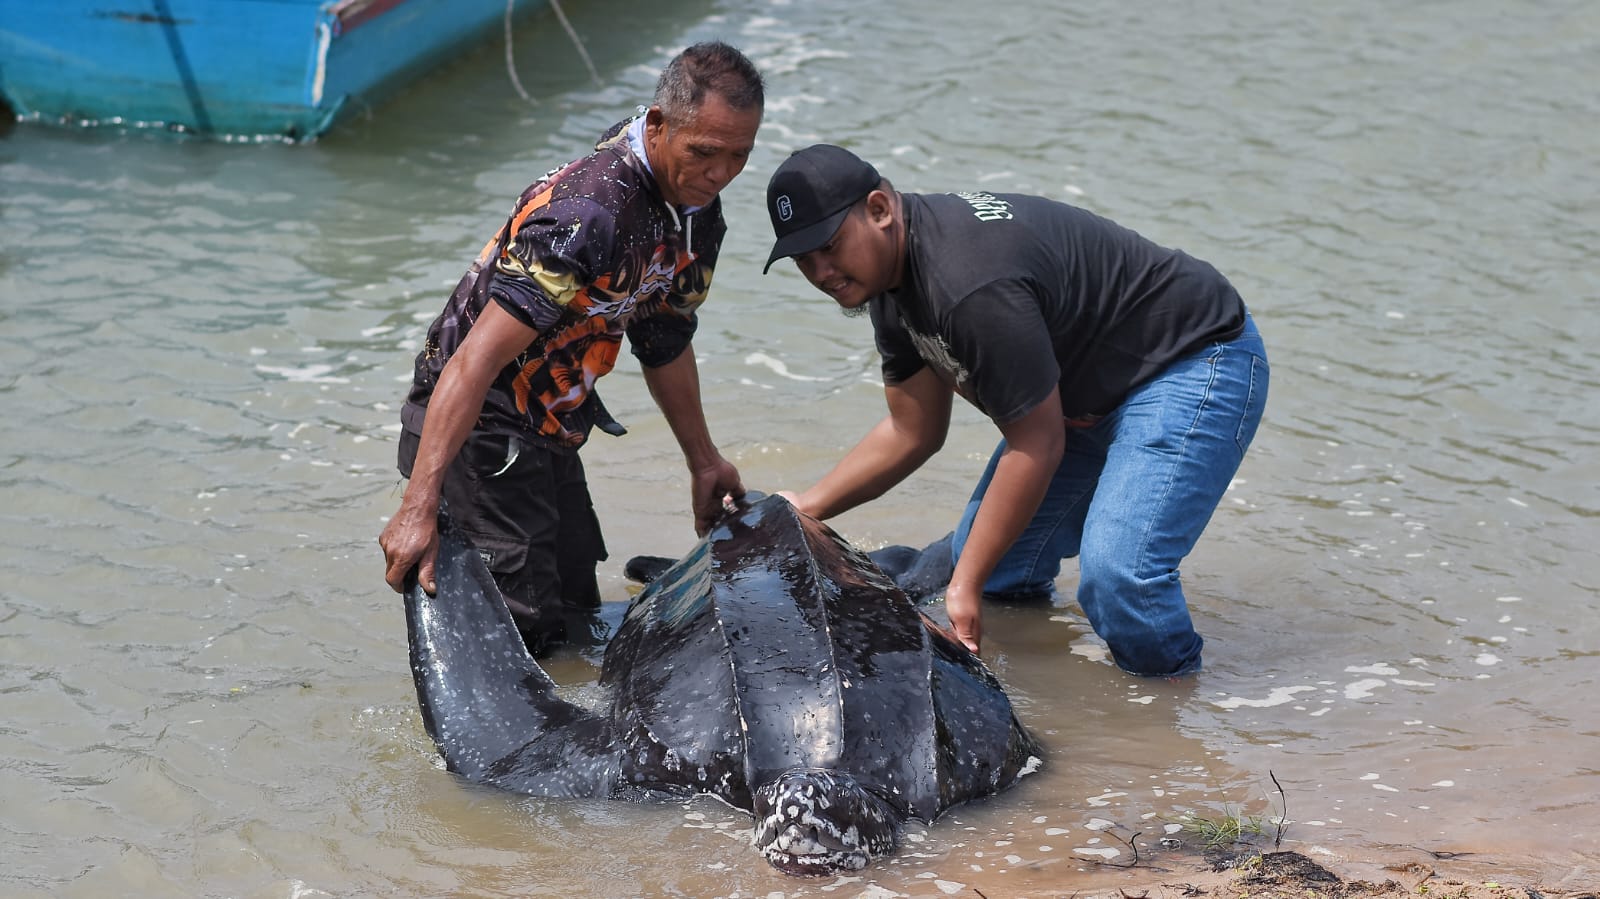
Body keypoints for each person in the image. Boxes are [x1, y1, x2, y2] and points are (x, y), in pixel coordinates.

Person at [761, 144, 1269, 677]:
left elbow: (1038, 443)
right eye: (803, 259)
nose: (821, 271)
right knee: (998, 572)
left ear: (880, 210)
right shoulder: (888, 284)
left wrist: (963, 585)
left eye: (830, 245)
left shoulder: (967, 284)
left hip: (1193, 361)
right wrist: (808, 506)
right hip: (1085, 400)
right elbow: (913, 430)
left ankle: (1170, 717)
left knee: (1121, 580)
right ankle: (1058, 677)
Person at [379, 42, 764, 655]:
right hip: (480, 427)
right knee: (523, 636)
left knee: (578, 612)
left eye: (739, 156)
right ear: (659, 127)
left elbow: (663, 339)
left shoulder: (696, 214)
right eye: (704, 153)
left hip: (552, 423)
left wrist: (704, 461)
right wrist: (417, 506)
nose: (720, 174)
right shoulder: (591, 213)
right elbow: (474, 359)